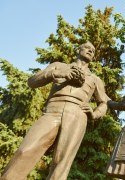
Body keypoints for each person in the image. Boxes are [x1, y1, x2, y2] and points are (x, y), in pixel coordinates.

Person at [0, 42, 109, 180]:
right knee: (25, 150)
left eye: (93, 50)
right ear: (78, 49)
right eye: (87, 48)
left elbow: (104, 102)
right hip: (52, 110)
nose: (90, 50)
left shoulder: (95, 79)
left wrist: (94, 113)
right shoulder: (59, 66)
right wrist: (55, 73)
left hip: (77, 115)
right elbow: (32, 82)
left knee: (61, 162)